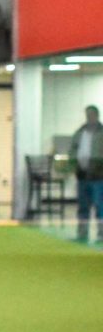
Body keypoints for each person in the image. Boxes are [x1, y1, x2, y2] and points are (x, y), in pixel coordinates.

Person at [70, 104, 103, 242]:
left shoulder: (101, 133)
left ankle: (101, 233)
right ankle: (82, 232)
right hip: (82, 174)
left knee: (99, 205)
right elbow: (73, 149)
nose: (88, 117)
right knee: (82, 206)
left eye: (91, 115)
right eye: (87, 115)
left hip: (98, 175)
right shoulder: (80, 132)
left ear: (96, 115)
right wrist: (72, 164)